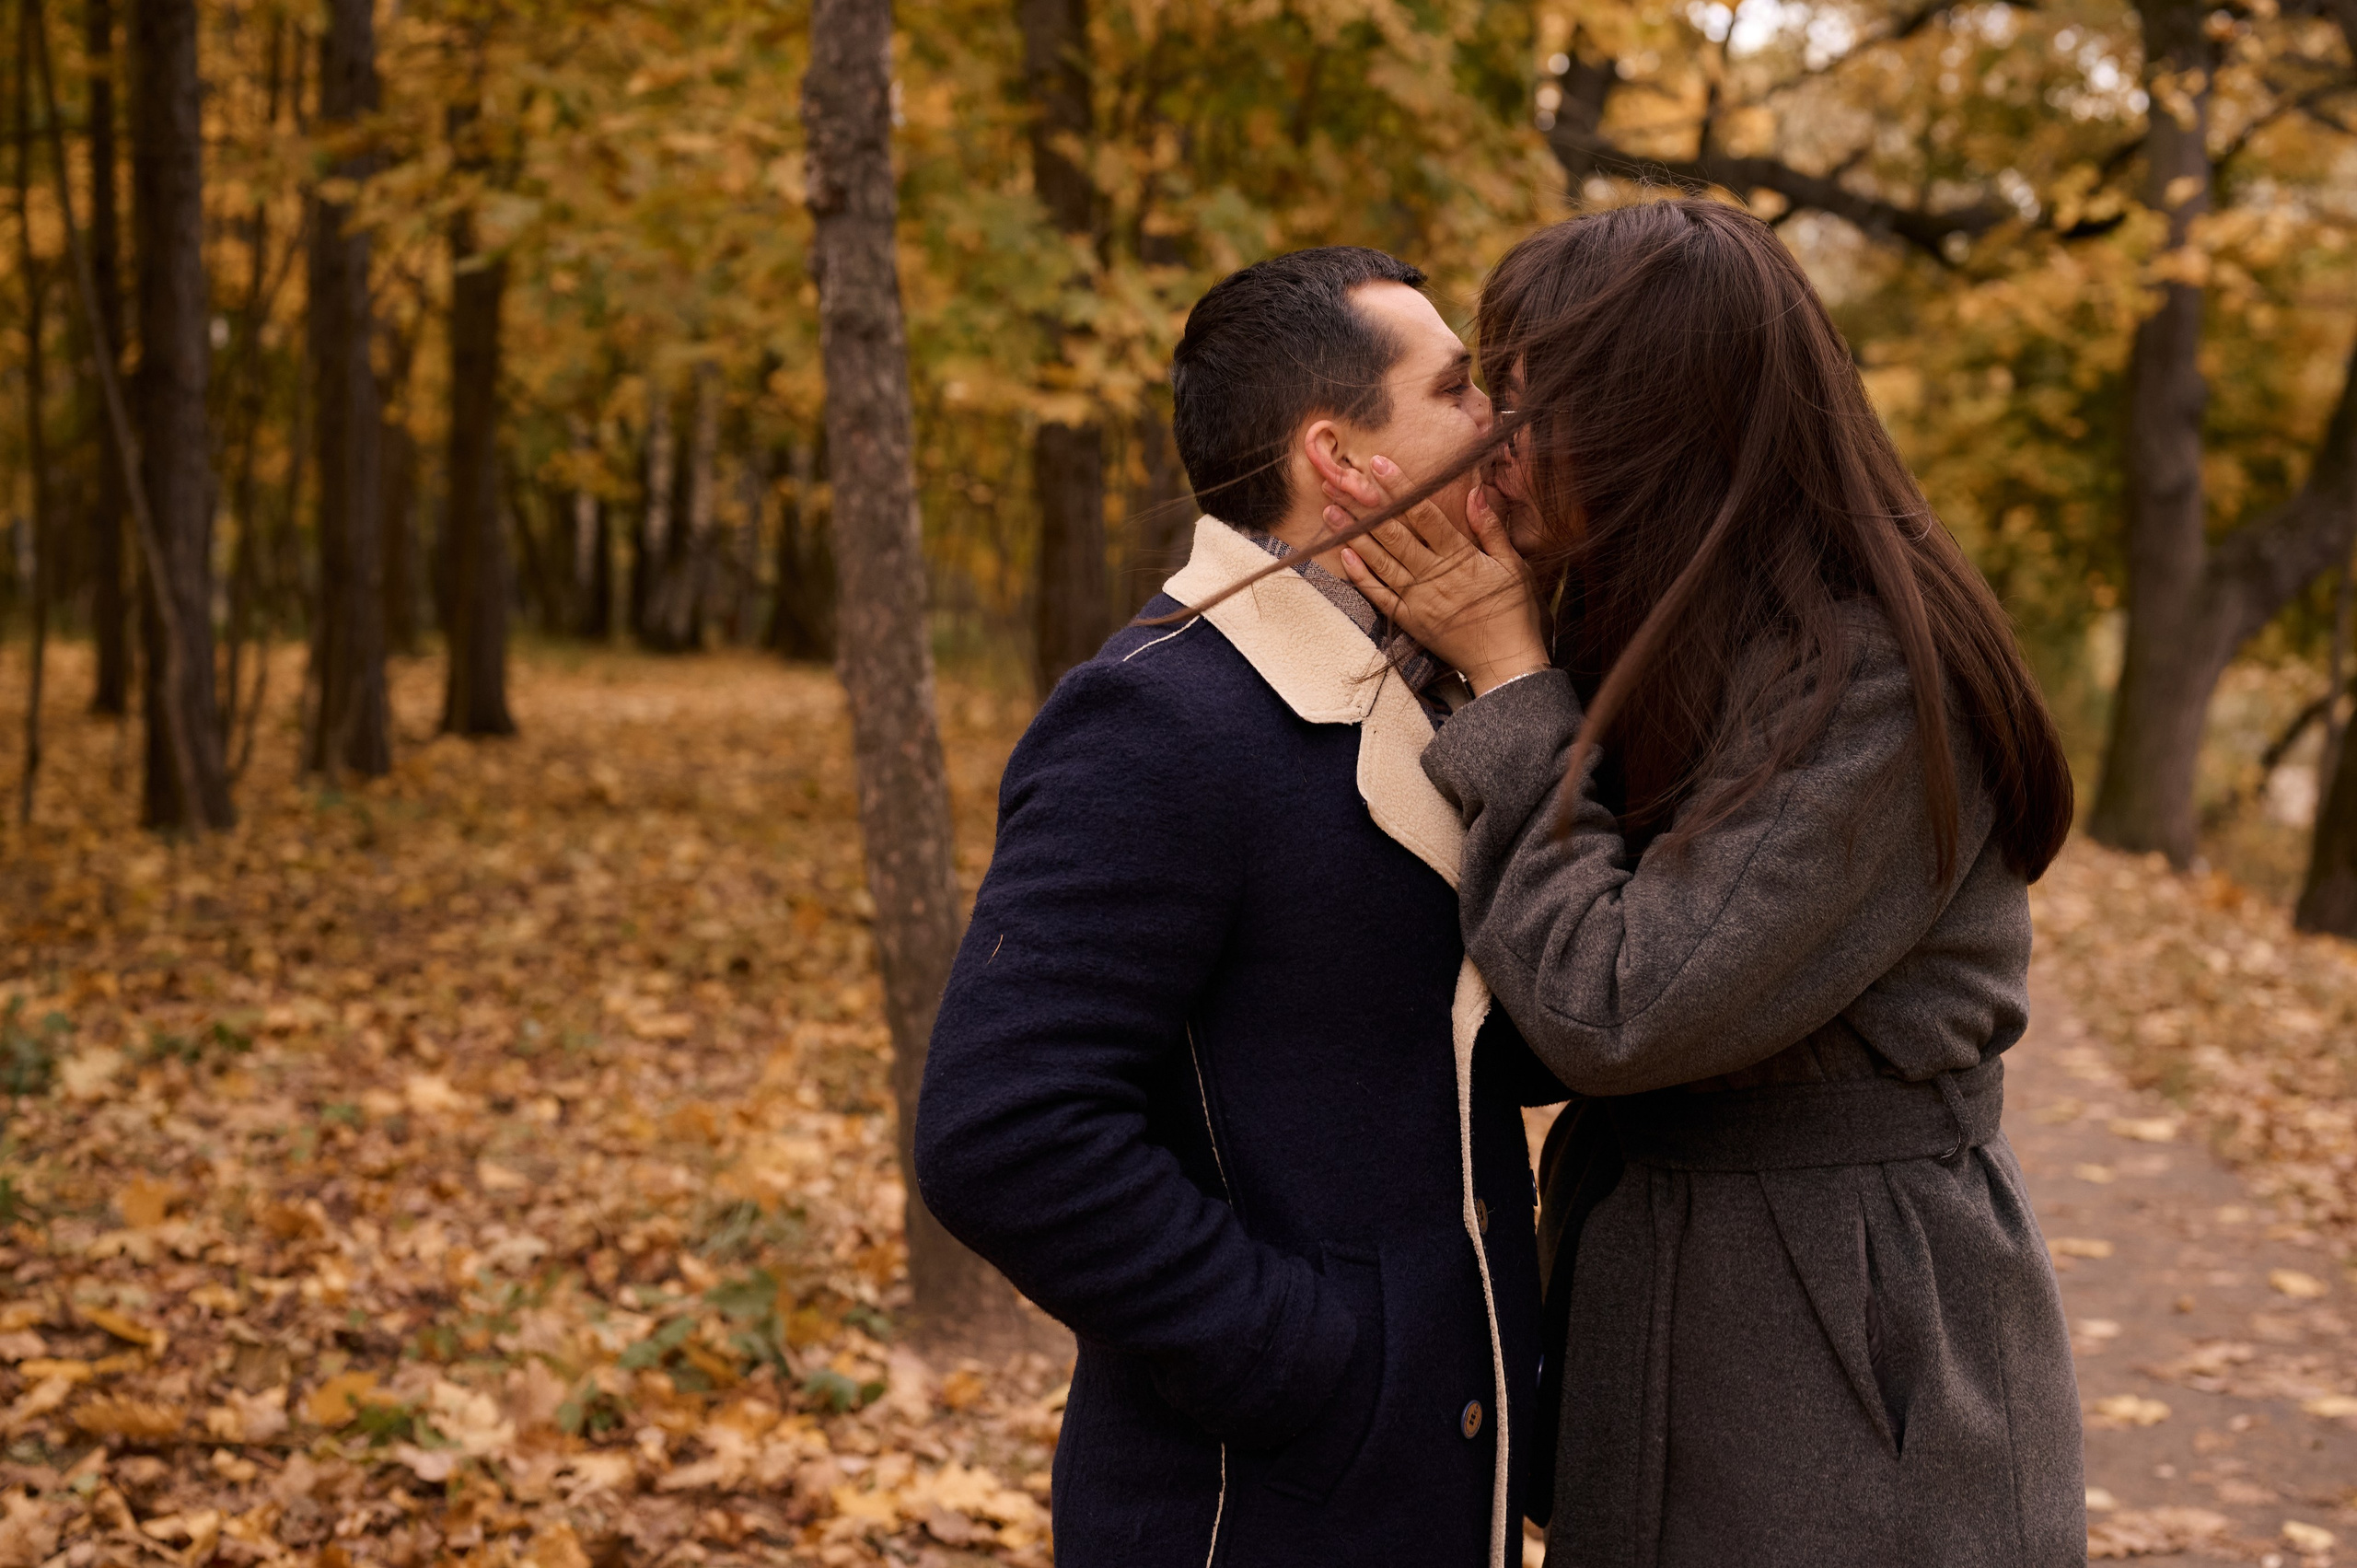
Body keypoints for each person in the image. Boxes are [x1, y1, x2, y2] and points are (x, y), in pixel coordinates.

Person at [1327, 200, 2086, 1565]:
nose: (1496, 441)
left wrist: (1509, 678)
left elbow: (1618, 1008)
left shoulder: (1875, 681)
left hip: (1849, 1334)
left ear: (1657, 429)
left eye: (1532, 404)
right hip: (1675, 1286)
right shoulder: (1664, 623)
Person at [914, 246, 1562, 1568]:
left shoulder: (1424, 684)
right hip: (1253, 1508)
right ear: (1338, 457)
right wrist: (1303, 1360)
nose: (1496, 423)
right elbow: (1003, 1128)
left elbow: (1529, 1037)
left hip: (1428, 1495)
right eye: (1457, 391)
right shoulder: (1157, 715)